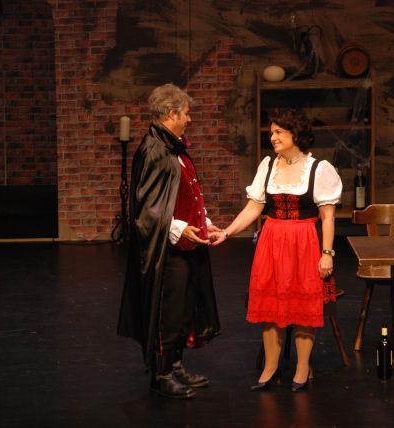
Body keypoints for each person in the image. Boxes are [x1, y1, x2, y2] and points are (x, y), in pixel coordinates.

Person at [212, 108, 342, 392]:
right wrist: (226, 232)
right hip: (271, 242)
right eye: (271, 132)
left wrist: (327, 253)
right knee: (270, 307)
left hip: (304, 242)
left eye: (279, 132)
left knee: (303, 307)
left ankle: (302, 368)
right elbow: (253, 208)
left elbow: (328, 217)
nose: (273, 137)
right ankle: (270, 368)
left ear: (295, 134)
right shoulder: (268, 165)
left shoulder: (319, 169)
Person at [117, 83, 222, 400]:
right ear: (171, 113)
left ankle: (175, 366)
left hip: (186, 245)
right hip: (166, 250)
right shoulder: (154, 150)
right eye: (186, 113)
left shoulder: (173, 148)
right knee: (168, 312)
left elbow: (186, 194)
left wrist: (204, 223)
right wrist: (178, 228)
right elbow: (146, 209)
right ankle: (161, 375)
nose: (189, 119)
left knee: (184, 309)